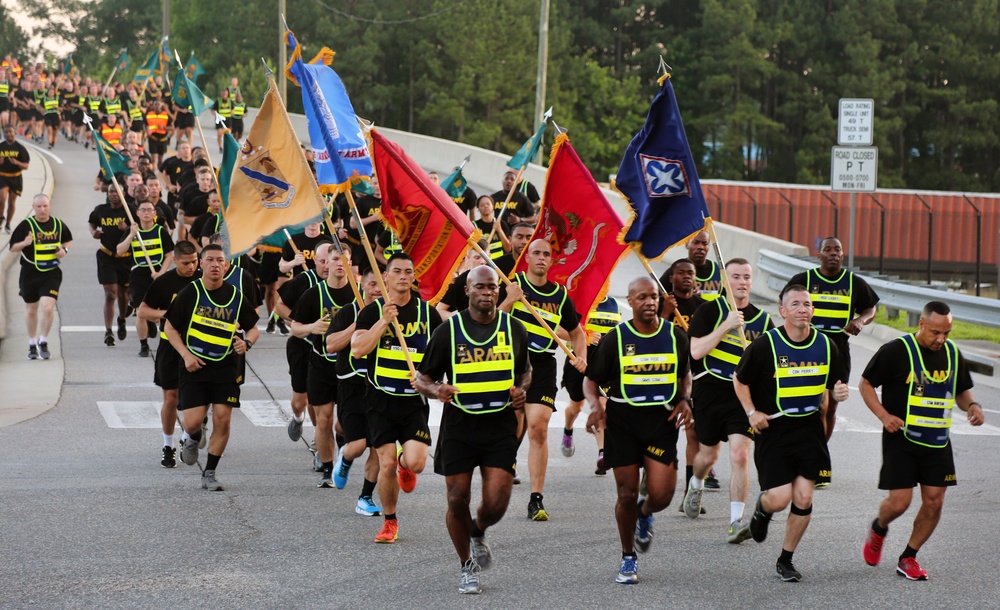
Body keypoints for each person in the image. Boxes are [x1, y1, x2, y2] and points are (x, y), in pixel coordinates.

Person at [413, 265, 532, 594]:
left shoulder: (514, 328)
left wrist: (521, 389)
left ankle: (478, 530)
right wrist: (437, 390)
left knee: (497, 503)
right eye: (480, 287)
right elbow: (422, 378)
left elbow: (525, 371)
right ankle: (467, 565)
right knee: (457, 498)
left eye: (492, 287)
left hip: (500, 423)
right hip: (461, 424)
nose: (487, 292)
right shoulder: (449, 332)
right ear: (467, 291)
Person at [858, 300, 985, 581]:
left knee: (935, 502)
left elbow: (962, 390)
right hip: (901, 439)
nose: (941, 339)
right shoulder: (896, 351)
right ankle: (879, 528)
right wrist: (883, 415)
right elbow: (865, 383)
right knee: (900, 502)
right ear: (922, 324)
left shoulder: (952, 353)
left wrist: (973, 406)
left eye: (946, 333)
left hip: (938, 441)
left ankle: (908, 557)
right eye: (935, 332)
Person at [734, 284, 849, 582]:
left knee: (803, 495)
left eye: (807, 304)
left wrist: (838, 392)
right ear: (783, 311)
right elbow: (739, 380)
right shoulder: (765, 346)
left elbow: (834, 387)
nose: (803, 309)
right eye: (795, 304)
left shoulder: (826, 346)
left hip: (809, 427)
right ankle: (763, 508)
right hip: (774, 428)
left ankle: (785, 559)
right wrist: (751, 412)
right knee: (780, 498)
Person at [583, 276, 693, 585]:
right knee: (626, 493)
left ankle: (646, 514)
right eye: (642, 297)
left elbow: (685, 374)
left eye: (654, 297)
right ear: (629, 302)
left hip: (662, 422)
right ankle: (628, 557)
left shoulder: (675, 336)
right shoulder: (616, 339)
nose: (650, 302)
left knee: (661, 495)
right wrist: (595, 405)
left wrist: (685, 398)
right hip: (623, 422)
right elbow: (590, 381)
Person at [351, 253, 443, 543]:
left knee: (415, 463)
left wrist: (431, 381)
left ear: (414, 278)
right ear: (386, 278)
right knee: (385, 463)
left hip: (413, 401)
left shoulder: (429, 315)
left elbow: (440, 357)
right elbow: (358, 350)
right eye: (397, 272)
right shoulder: (371, 311)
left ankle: (406, 465)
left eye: (408, 272)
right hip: (380, 399)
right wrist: (383, 322)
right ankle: (390, 522)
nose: (403, 276)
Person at [683, 258, 774, 542]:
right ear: (725, 280)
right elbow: (696, 351)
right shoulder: (708, 311)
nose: (742, 282)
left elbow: (768, 368)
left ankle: (736, 521)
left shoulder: (763, 320)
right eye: (736, 277)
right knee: (708, 455)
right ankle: (696, 484)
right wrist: (726, 326)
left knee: (740, 453)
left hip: (742, 395)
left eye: (747, 277)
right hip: (710, 390)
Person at [498, 239, 587, 520]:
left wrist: (579, 356)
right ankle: (504, 463)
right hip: (510, 364)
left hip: (542, 366)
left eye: (546, 254)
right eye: (535, 252)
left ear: (552, 261)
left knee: (538, 428)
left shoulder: (560, 296)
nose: (540, 257)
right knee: (510, 426)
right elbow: (490, 322)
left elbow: (577, 333)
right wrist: (510, 299)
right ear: (527, 257)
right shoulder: (512, 284)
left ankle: (536, 499)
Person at [163, 244, 260, 490]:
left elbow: (254, 327)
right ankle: (193, 436)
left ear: (227, 266)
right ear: (201, 264)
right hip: (194, 364)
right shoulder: (191, 292)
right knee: (193, 421)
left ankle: (210, 472)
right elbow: (169, 328)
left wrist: (246, 343)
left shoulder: (236, 296)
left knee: (223, 419)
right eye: (210, 260)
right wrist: (185, 355)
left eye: (220, 260)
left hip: (226, 366)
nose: (215, 264)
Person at [786, 237, 878, 442]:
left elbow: (871, 308)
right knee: (819, 405)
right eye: (827, 250)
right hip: (808, 349)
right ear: (819, 255)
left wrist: (861, 320)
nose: (833, 253)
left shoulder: (853, 282)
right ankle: (804, 447)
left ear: (843, 255)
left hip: (838, 350)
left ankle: (820, 451)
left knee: (830, 408)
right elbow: (783, 304)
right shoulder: (805, 280)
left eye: (837, 250)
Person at [289, 244, 358, 487]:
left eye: (345, 259)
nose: (340, 263)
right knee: (324, 418)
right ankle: (328, 470)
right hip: (320, 363)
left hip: (350, 366)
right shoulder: (314, 294)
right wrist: (311, 328)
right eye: (336, 259)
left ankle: (341, 444)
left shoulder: (358, 294)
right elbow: (294, 327)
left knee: (345, 423)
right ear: (326, 263)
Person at [137, 240, 200, 468]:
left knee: (201, 399)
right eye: (186, 263)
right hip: (170, 348)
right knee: (171, 398)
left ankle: (189, 436)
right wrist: (168, 313)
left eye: (194, 261)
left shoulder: (203, 280)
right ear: (175, 261)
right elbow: (142, 310)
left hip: (198, 347)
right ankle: (168, 445)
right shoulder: (164, 282)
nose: (191, 267)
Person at [326, 269, 384, 515]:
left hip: (380, 388)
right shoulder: (349, 310)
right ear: (362, 284)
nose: (377, 290)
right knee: (358, 445)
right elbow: (330, 345)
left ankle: (365, 497)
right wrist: (358, 324)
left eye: (381, 285)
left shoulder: (390, 313)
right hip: (351, 386)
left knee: (379, 448)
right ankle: (346, 458)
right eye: (372, 284)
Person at [274, 241, 326, 464]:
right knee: (300, 400)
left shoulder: (349, 285)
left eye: (332, 260)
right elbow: (279, 307)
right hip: (302, 344)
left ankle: (318, 439)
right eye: (322, 261)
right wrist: (302, 324)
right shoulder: (305, 280)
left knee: (317, 397)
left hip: (327, 350)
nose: (327, 266)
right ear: (315, 260)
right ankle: (297, 417)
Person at [559, 294, 621, 474]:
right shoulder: (578, 301)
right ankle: (568, 429)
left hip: (604, 365)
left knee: (602, 406)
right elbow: (556, 329)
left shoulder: (613, 304)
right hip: (578, 362)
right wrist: (585, 336)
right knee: (576, 407)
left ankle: (603, 454)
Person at [8, 194, 72, 360]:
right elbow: (13, 248)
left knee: (48, 307)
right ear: (33, 207)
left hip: (51, 272)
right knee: (31, 310)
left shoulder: (58, 224)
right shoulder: (26, 225)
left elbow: (68, 240)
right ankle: (32, 343)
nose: (42, 210)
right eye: (39, 206)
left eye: (45, 206)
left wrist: (64, 251)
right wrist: (25, 243)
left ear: (49, 206)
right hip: (29, 272)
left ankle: (43, 341)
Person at [117, 194, 174, 357]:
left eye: (150, 210)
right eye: (143, 210)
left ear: (155, 213)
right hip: (139, 274)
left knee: (159, 313)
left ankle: (164, 335)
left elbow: (169, 255)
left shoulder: (160, 232)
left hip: (157, 273)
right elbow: (120, 250)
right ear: (138, 213)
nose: (147, 213)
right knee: (141, 311)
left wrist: (161, 273)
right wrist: (130, 235)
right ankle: (143, 344)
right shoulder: (133, 231)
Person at [88, 185, 135, 346]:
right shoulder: (101, 210)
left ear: (123, 193)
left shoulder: (130, 211)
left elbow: (139, 231)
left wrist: (127, 229)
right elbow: (92, 223)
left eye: (117, 192)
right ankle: (108, 331)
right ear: (107, 195)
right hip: (107, 256)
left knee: (123, 293)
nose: (114, 195)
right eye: (111, 192)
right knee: (111, 293)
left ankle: (121, 319)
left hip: (126, 258)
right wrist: (93, 232)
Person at [662, 231, 722, 302]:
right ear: (687, 244)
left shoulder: (719, 270)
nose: (700, 247)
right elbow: (660, 296)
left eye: (704, 243)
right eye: (696, 242)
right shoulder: (677, 269)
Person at [0, 124, 30, 234]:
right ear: (4, 134)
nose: (9, 134)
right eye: (6, 132)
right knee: (2, 199)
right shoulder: (1, 147)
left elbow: (26, 166)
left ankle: (8, 224)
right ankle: (1, 217)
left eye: (10, 132)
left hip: (16, 177)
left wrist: (16, 162)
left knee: (11, 203)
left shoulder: (20, 148)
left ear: (14, 133)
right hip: (2, 176)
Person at [489, 169, 532, 233]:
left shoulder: (522, 198)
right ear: (502, 181)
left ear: (516, 183)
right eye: (506, 178)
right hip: (497, 233)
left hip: (515, 233)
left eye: (512, 179)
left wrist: (520, 219)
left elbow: (534, 218)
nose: (509, 181)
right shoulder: (494, 197)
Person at [473, 195, 509, 260]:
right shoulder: (474, 226)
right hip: (484, 261)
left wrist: (499, 230)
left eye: (488, 204)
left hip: (500, 262)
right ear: (478, 209)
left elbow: (508, 248)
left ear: (493, 206)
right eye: (482, 205)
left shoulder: (501, 224)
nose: (485, 206)